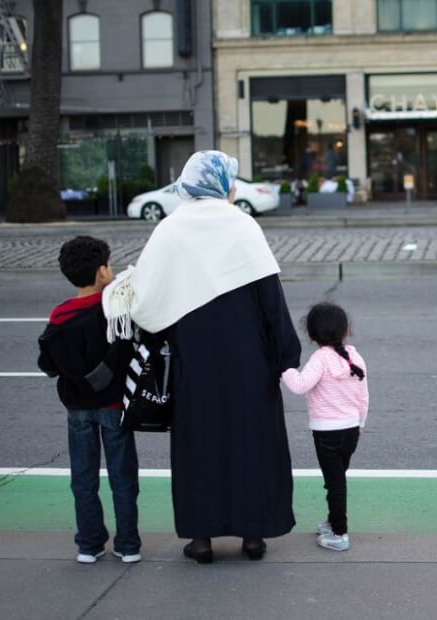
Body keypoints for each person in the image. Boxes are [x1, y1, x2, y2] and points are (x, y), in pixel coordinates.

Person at [103, 150, 301, 564]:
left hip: (194, 363)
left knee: (199, 448)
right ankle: (253, 535)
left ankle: (201, 539)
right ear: (222, 183)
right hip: (250, 362)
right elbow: (271, 299)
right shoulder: (242, 226)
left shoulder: (170, 230)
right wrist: (285, 355)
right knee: (253, 444)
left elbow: (147, 304)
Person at [37, 236, 140, 565]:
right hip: (114, 406)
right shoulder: (114, 312)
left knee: (83, 478)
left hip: (77, 409)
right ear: (101, 272)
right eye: (109, 264)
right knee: (123, 478)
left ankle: (89, 544)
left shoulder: (59, 316)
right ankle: (128, 545)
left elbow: (47, 365)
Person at [281, 302, 369, 552]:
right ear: (346, 330)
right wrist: (360, 423)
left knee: (335, 484)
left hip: (327, 433)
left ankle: (339, 533)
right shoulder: (355, 356)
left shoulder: (320, 359)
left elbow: (299, 385)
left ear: (312, 335)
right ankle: (333, 522)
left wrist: (284, 369)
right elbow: (364, 397)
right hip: (352, 430)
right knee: (337, 480)